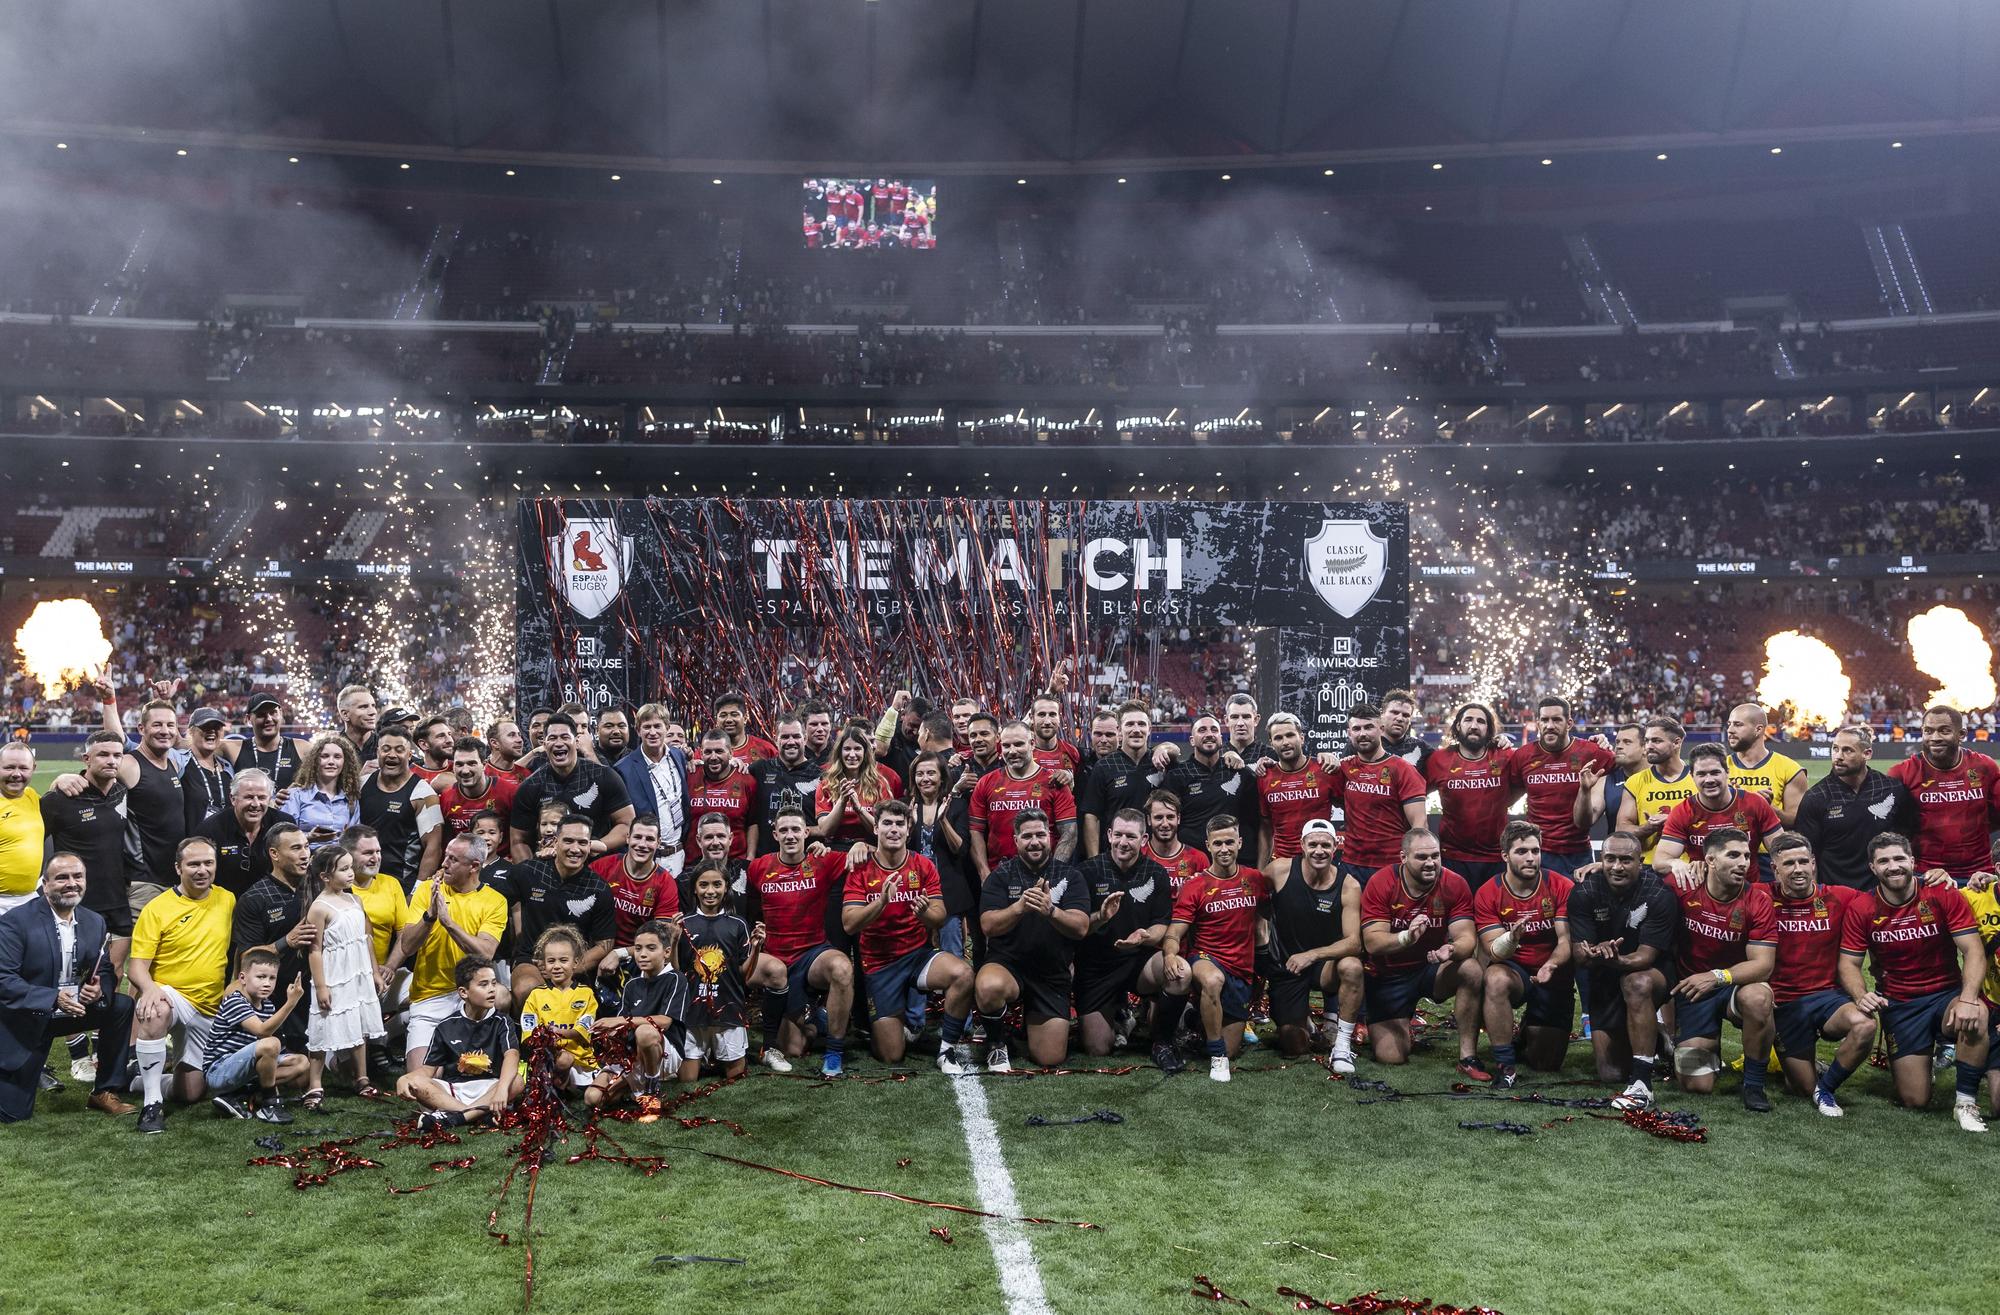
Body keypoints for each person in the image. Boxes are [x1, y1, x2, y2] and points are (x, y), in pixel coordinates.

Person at [1838, 831, 1991, 1132]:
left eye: (1898, 858)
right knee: (1914, 1099)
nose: (1892, 866)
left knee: (1976, 1015)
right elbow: (1849, 963)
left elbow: (1973, 949)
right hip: (1900, 1003)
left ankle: (1965, 1103)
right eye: (1884, 861)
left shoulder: (1942, 893)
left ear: (1912, 861)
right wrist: (1860, 994)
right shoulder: (1862, 908)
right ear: (1872, 867)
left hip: (1945, 994)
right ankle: (1932, 1054)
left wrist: (1969, 998)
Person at [0, 854, 134, 1121]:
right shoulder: (15, 922)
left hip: (71, 1008)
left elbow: (104, 968)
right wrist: (52, 998)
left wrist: (99, 990)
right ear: (45, 884)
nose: (71, 883)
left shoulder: (94, 921)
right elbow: (4, 979)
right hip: (28, 1016)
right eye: (62, 878)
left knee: (120, 1005)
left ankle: (104, 1090)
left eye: (77, 877)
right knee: (12, 1114)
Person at [843, 801, 975, 1069]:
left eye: (900, 824)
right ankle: (892, 1020)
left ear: (908, 828)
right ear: (876, 828)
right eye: (888, 823)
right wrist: (880, 903)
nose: (894, 829)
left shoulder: (922, 864)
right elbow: (849, 924)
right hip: (880, 963)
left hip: (917, 954)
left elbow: (939, 914)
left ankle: (946, 1051)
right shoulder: (860, 869)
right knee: (892, 1055)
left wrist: (925, 914)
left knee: (963, 974)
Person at [1664, 827, 1778, 1110]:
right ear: (1710, 860)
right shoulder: (1681, 886)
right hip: (1692, 993)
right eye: (1733, 855)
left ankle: (1753, 1084)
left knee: (1758, 998)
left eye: (1747, 856)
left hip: (1731, 987)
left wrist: (1717, 977)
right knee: (1696, 1085)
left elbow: (1763, 965)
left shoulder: (1758, 900)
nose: (1743, 863)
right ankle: (1707, 1043)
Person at [129, 837, 238, 1130]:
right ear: (178, 868)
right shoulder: (157, 908)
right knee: (155, 1010)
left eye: (208, 863)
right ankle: (152, 1106)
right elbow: (136, 967)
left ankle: (141, 1080)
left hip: (209, 1007)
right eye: (193, 864)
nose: (202, 870)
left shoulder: (227, 899)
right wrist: (150, 989)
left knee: (190, 1093)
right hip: (172, 996)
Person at [1763, 833, 1876, 1117]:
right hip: (1784, 1004)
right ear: (1775, 869)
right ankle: (1811, 1077)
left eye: (1803, 861)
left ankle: (1825, 1089)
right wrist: (1695, 867)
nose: (1798, 869)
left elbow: (1889, 895)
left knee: (1865, 1026)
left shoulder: (1841, 896)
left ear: (1814, 864)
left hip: (1828, 999)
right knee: (1799, 1087)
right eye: (1788, 864)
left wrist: (1933, 879)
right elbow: (1720, 885)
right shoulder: (1759, 896)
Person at [1567, 832, 1681, 1110]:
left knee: (1636, 983)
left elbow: (1645, 957)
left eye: (1626, 860)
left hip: (1653, 972)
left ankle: (1642, 1083)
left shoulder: (1658, 893)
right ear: (1600, 860)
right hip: (1605, 976)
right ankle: (1656, 1038)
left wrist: (1612, 957)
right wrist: (1593, 952)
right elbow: (1578, 952)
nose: (1617, 866)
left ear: (1640, 862)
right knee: (1611, 1074)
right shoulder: (1584, 891)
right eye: (1610, 859)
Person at [973, 810, 1090, 1071]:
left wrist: (1051, 911)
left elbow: (1081, 927)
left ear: (1050, 836)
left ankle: (1023, 1032)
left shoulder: (1071, 876)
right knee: (989, 986)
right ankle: (996, 1043)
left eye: (1040, 834)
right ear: (1016, 840)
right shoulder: (1000, 876)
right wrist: (1019, 907)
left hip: (1051, 973)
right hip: (1008, 965)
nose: (1034, 841)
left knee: (1050, 1058)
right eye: (1027, 836)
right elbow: (988, 926)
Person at [1358, 830, 1482, 1074]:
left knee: (1471, 969)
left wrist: (1453, 949)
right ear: (1403, 857)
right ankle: (1399, 1023)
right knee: (1391, 1057)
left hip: (1429, 968)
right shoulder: (1382, 882)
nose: (1430, 863)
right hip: (1388, 976)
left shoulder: (1454, 883)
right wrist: (1407, 937)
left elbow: (1467, 937)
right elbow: (1372, 942)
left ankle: (1468, 1057)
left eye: (1435, 856)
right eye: (1422, 857)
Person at [1159, 815, 1271, 1082]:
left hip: (1241, 968)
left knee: (1234, 1048)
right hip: (1206, 958)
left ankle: (1195, 1021)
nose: (1224, 849)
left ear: (1240, 843)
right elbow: (1175, 930)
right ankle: (1218, 1059)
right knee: (1212, 980)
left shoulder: (1254, 879)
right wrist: (1170, 953)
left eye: (1230, 842)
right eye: (1218, 843)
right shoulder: (1196, 885)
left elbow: (1266, 914)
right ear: (1208, 845)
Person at [744, 808, 854, 1076]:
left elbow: (876, 854)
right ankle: (817, 1017)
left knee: (841, 968)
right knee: (793, 1047)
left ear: (806, 832)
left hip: (813, 954)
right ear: (775, 834)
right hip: (777, 961)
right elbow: (751, 909)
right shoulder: (759, 868)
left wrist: (860, 844)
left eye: (796, 830)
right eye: (784, 830)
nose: (790, 835)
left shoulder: (824, 861)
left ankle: (834, 1052)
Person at [1470, 821, 1574, 1088]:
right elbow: (1493, 949)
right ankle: (1506, 1067)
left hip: (1552, 974)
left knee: (1545, 1063)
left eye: (1535, 851)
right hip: (1512, 970)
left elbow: (1565, 940)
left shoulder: (1561, 886)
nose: (1531, 858)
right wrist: (1511, 939)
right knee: (1495, 978)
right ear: (1505, 855)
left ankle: (1528, 1029)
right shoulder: (1488, 892)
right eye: (1521, 851)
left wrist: (1551, 965)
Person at [396, 834, 508, 1072]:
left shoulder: (494, 901)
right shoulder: (428, 890)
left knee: (501, 996)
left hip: (469, 997)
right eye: (445, 856)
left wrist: (448, 923)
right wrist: (430, 917)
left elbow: (485, 953)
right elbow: (406, 946)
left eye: (453, 859)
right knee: (419, 1084)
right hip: (429, 997)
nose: (444, 863)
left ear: (474, 866)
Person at [1260, 819, 1363, 1070]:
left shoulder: (1348, 885)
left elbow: (1353, 943)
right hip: (1287, 967)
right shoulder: (1279, 870)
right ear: (1302, 845)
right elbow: (1250, 896)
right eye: (1313, 844)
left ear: (1336, 846)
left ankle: (1341, 1047)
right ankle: (1305, 1023)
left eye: (1326, 845)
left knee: (1352, 966)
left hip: (1323, 965)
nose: (1319, 850)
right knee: (1293, 1044)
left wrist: (1313, 954)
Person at [1074, 808, 1173, 1063]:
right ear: (1108, 835)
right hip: (1097, 967)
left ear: (1143, 839)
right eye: (1118, 834)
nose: (1123, 842)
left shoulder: (1157, 873)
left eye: (1130, 836)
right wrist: (1101, 917)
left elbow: (1162, 925)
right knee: (1098, 1049)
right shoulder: (1087, 871)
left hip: (1139, 961)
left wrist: (1145, 937)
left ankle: (1163, 1040)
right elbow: (1077, 927)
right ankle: (1119, 1014)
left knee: (1177, 970)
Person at [397, 956, 522, 1131]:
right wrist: (406, 1078)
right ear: (464, 993)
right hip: (454, 1091)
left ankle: (455, 1118)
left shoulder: (502, 1021)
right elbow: (428, 1070)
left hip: (490, 1088)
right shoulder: (445, 1026)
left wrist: (502, 1088)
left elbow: (512, 1055)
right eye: (483, 984)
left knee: (516, 1081)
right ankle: (473, 1114)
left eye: (494, 983)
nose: (492, 989)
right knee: (417, 1082)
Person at [303, 844, 387, 1103]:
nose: (351, 873)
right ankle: (315, 1083)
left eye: (351, 867)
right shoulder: (319, 908)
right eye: (344, 869)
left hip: (358, 972)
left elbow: (365, 939)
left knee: (359, 1024)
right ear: (325, 877)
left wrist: (373, 972)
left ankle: (361, 1077)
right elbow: (314, 951)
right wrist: (321, 987)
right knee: (323, 1024)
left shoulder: (355, 899)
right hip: (334, 975)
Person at [1794, 725, 1917, 890]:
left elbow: (1907, 836)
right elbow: (1808, 854)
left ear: (1867, 754)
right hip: (1837, 894)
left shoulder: (1892, 789)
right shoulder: (1816, 797)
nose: (1838, 756)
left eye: (1847, 751)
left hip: (1884, 892)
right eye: (1835, 749)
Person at [509, 814, 617, 1001]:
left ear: (589, 846)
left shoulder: (599, 888)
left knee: (570, 1001)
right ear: (555, 842)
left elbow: (604, 945)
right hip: (532, 960)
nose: (575, 849)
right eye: (568, 841)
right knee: (528, 990)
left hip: (576, 966)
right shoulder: (529, 872)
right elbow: (491, 900)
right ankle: (522, 1030)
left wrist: (567, 967)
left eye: (582, 843)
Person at [1504, 696, 1615, 877]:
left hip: (1579, 852)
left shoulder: (1592, 752)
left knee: (1580, 905)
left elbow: (1630, 765)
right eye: (1545, 720)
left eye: (1556, 719)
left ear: (1569, 723)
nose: (1550, 725)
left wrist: (1607, 744)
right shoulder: (1522, 756)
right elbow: (1506, 798)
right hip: (1539, 852)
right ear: (1538, 722)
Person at [1888, 706, 2000, 884]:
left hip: (1979, 876)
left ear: (1961, 734)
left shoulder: (1984, 767)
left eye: (1944, 731)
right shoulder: (1903, 773)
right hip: (1927, 876)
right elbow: (1892, 831)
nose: (1935, 738)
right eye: (1928, 731)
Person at [230, 820, 317, 1051]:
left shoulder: (318, 887)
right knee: (295, 1063)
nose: (304, 854)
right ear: (274, 854)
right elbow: (248, 957)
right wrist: (286, 941)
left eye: (306, 847)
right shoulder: (255, 898)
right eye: (296, 848)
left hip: (319, 985)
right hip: (276, 995)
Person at [587, 919, 690, 1106]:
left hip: (666, 1052)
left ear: (666, 952)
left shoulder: (676, 979)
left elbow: (664, 1022)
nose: (643, 954)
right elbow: (622, 1027)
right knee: (592, 1098)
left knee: (645, 1032)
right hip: (633, 1054)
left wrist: (621, 1021)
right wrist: (609, 1033)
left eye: (651, 948)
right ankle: (632, 1086)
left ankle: (652, 1089)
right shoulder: (631, 984)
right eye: (638, 948)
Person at [677, 860, 764, 1079]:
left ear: (726, 887)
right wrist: (672, 940)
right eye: (703, 885)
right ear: (695, 888)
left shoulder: (738, 924)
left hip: (728, 1011)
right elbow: (676, 973)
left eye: (717, 884)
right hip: (693, 1014)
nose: (710, 891)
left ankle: (718, 1057)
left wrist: (756, 948)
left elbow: (744, 974)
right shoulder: (683, 924)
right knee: (687, 1080)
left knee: (736, 1078)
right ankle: (705, 1058)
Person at [200, 948, 308, 1123]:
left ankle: (240, 1096)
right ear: (242, 978)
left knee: (301, 1062)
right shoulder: (235, 1001)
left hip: (244, 1066)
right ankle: (269, 1104)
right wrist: (291, 1003)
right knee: (271, 1043)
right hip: (218, 1071)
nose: (267, 983)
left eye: (272, 978)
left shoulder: (267, 1006)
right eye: (261, 977)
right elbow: (262, 1031)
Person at [509, 712, 634, 861]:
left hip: (597, 867)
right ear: (544, 744)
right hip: (550, 870)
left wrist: (599, 844)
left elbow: (627, 823)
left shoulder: (604, 776)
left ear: (576, 741)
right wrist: (531, 874)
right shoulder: (531, 786)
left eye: (565, 737)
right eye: (552, 738)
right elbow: (518, 841)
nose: (559, 743)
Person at [1652, 744, 1786, 872]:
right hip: (1701, 888)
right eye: (1702, 774)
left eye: (1715, 772)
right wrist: (1675, 863)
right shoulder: (1682, 811)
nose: (1709, 779)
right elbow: (1660, 861)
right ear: (1692, 776)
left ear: (1727, 772)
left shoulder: (1755, 803)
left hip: (1748, 888)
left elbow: (1782, 850)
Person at [969, 721, 1077, 879]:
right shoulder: (986, 783)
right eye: (1006, 746)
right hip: (999, 876)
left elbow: (1069, 833)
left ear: (1032, 743)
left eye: (1019, 744)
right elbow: (975, 831)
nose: (1012, 751)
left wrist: (1052, 874)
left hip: (1043, 875)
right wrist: (984, 873)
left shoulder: (1054, 781)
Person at [1424, 701, 1514, 889]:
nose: (1474, 726)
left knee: (1492, 916)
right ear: (1458, 725)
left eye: (1481, 721)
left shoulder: (1505, 756)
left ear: (1489, 729)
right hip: (1453, 858)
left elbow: (1522, 786)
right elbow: (1414, 794)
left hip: (1496, 857)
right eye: (1468, 720)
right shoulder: (1438, 760)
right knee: (1458, 917)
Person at [1335, 704, 1429, 884]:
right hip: (1351, 864)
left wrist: (1414, 862)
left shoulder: (1402, 769)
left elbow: (1419, 823)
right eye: (1357, 728)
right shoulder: (1344, 768)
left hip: (1391, 864)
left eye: (1369, 727)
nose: (1362, 733)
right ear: (1349, 733)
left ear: (1381, 729)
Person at [1159, 714, 1259, 856]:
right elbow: (1167, 822)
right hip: (1191, 863)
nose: (1209, 734)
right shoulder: (1177, 776)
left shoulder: (1240, 773)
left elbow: (1257, 823)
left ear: (1221, 738)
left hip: (1232, 861)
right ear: (1192, 741)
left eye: (1214, 730)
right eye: (1202, 730)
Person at [358, 727, 445, 891]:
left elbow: (433, 848)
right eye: (386, 749)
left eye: (399, 750)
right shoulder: (361, 784)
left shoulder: (424, 794)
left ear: (410, 755)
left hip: (401, 885)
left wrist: (417, 891)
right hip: (362, 882)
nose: (392, 755)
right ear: (378, 753)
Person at [1255, 713, 1340, 868]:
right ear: (1271, 743)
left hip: (1319, 861)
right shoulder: (1264, 777)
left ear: (1301, 738)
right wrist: (1261, 870)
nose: (1285, 742)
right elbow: (1266, 827)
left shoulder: (1324, 770)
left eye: (1290, 735)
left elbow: (1351, 809)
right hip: (1282, 863)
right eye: (1278, 738)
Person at [520, 926, 599, 1090]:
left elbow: (582, 1030)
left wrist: (556, 1031)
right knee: (563, 1060)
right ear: (544, 964)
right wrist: (545, 1040)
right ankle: (555, 1084)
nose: (556, 966)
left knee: (569, 1062)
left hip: (582, 1061)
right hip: (550, 1058)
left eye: (563, 960)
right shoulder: (536, 995)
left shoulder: (586, 993)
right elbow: (529, 1034)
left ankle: (562, 1086)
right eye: (551, 961)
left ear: (575, 962)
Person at [1076, 701, 1159, 857]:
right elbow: (1091, 816)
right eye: (1130, 724)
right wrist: (1095, 860)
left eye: (1141, 724)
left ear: (1149, 730)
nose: (1136, 730)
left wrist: (1168, 747)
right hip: (1115, 855)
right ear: (1120, 731)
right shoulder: (1104, 766)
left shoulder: (1160, 762)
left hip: (1154, 856)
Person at [615, 703, 690, 870]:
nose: (652, 732)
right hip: (646, 858)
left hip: (679, 854)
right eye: (647, 727)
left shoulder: (678, 756)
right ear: (638, 731)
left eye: (657, 726)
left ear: (667, 728)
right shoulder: (624, 769)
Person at [1611, 716, 1693, 863]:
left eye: (1656, 741)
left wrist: (1674, 821)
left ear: (1676, 743)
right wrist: (1648, 828)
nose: (1648, 746)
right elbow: (1622, 830)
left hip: (1692, 868)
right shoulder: (1635, 782)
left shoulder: (1697, 779)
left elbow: (1712, 824)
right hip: (1649, 869)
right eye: (1647, 741)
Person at [589, 814, 679, 948]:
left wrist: (620, 953)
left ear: (658, 843)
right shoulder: (602, 866)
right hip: (595, 945)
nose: (642, 844)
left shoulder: (666, 883)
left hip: (637, 955)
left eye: (649, 839)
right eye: (637, 837)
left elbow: (661, 938)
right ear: (628, 838)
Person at [814, 725, 903, 847]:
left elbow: (885, 829)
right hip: (836, 847)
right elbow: (825, 830)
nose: (852, 754)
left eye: (857, 749)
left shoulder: (880, 783)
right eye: (847, 749)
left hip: (870, 848)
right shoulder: (826, 784)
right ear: (839, 752)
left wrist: (859, 810)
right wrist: (842, 801)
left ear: (865, 752)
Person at [1723, 702, 1807, 826]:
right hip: (1731, 844)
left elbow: (1796, 821)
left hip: (1771, 845)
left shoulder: (1791, 770)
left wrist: (1766, 808)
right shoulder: (1719, 769)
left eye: (1738, 725)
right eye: (1729, 724)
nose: (1730, 730)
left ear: (1758, 729)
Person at [682, 729, 758, 865]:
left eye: (719, 751)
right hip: (694, 862)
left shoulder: (747, 781)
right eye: (708, 752)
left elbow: (753, 823)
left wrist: (750, 858)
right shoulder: (689, 776)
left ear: (731, 753)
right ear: (700, 753)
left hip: (736, 861)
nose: (713, 757)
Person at [750, 714, 822, 856]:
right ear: (776, 739)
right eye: (785, 737)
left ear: (805, 739)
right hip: (766, 860)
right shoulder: (759, 770)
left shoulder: (821, 776)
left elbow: (827, 826)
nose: (791, 742)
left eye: (796, 736)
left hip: (806, 862)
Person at [197, 768, 276, 896]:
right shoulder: (209, 830)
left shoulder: (281, 823)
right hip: (223, 904)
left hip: (271, 902)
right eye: (249, 797)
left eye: (262, 797)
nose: (256, 804)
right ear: (233, 799)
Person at [283, 732, 363, 852]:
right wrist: (309, 838)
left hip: (339, 865)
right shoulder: (296, 796)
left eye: (337, 757)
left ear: (345, 762)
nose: (331, 762)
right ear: (315, 761)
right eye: (325, 756)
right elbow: (283, 837)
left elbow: (353, 840)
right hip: (304, 863)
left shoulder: (351, 801)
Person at [438, 736, 517, 838]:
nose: (465, 771)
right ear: (453, 767)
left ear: (484, 765)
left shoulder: (509, 793)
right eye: (459, 764)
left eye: (472, 764)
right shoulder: (446, 799)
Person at [1573, 723, 1644, 836]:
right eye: (1617, 742)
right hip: (1619, 852)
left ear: (1645, 748)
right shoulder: (1606, 781)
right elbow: (1582, 823)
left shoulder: (1661, 778)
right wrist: (1584, 791)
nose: (1619, 746)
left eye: (1627, 742)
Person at [225, 695, 305, 787]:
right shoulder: (234, 749)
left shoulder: (302, 749)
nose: (269, 719)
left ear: (281, 714)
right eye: (261, 714)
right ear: (248, 719)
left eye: (273, 712)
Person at [0, 743, 42, 917]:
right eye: (9, 767)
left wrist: (62, 779)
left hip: (29, 900)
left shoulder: (32, 796)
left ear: (33, 768)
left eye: (23, 768)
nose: (16, 774)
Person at [179, 708, 236, 835]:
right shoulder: (179, 762)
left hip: (225, 845)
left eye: (217, 727)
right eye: (205, 726)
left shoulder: (227, 767)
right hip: (193, 847)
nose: (212, 731)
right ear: (191, 731)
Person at [1143, 791, 1210, 895]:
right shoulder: (1139, 855)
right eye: (1158, 817)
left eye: (1170, 817)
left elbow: (1208, 900)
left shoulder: (1198, 859)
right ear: (1149, 820)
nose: (1165, 824)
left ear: (1178, 818)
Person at [1377, 689, 1433, 776]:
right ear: (1382, 714)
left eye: (1406, 715)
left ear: (1410, 720)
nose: (1400, 718)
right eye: (1395, 712)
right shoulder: (1365, 745)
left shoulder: (1422, 748)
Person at [711, 691, 777, 764]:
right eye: (723, 715)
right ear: (716, 720)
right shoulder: (707, 752)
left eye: (734, 714)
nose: (729, 720)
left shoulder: (766, 749)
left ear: (745, 718)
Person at [485, 718, 532, 785]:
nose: (520, 740)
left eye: (519, 735)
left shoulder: (527, 775)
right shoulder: (482, 775)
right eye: (512, 735)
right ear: (495, 743)